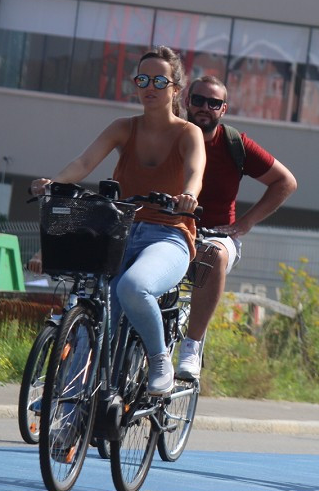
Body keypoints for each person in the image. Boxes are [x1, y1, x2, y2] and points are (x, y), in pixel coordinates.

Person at [30, 46, 204, 395]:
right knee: (93, 310)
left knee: (132, 287)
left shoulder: (188, 133)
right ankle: (68, 407)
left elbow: (195, 170)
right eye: (142, 79)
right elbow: (84, 162)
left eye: (158, 80)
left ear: (175, 89)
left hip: (169, 235)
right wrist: (56, 183)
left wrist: (188, 195)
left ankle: (158, 360)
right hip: (119, 231)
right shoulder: (123, 128)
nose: (148, 87)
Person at [174, 76, 298, 380]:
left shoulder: (234, 143)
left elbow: (286, 182)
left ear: (223, 109)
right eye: (199, 100)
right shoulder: (170, 135)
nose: (205, 107)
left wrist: (245, 223)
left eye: (213, 103)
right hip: (171, 229)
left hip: (216, 235)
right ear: (186, 101)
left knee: (212, 255)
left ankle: (192, 345)